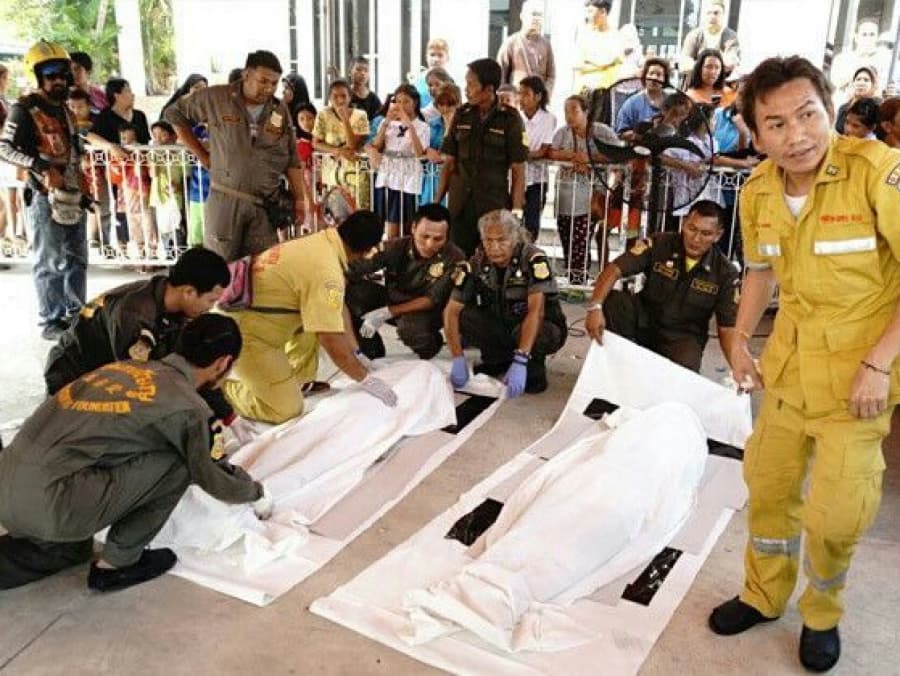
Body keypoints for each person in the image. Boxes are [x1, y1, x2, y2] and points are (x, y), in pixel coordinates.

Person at [707, 56, 900, 673]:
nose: (797, 136)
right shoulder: (758, 191)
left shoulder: (876, 172)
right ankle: (763, 595)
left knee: (838, 515)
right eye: (777, 124)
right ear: (755, 133)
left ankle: (821, 613)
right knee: (767, 489)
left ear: (830, 108)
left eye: (808, 115)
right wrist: (740, 338)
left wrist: (880, 365)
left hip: (858, 382)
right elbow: (761, 271)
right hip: (787, 372)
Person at [0, 314, 270, 593]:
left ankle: (48, 537)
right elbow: (212, 476)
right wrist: (256, 493)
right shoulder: (188, 407)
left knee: (70, 548)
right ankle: (117, 565)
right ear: (223, 363)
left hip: (8, 487)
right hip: (51, 504)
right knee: (181, 461)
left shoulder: (121, 368)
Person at [221, 210, 398, 424]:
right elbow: (330, 339)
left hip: (257, 315)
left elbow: (336, 308)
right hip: (245, 333)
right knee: (286, 410)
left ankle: (297, 381)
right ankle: (219, 392)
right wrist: (365, 378)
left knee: (317, 317)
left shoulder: (322, 242)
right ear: (367, 251)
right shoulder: (326, 272)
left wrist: (358, 353)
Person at [164, 49, 308, 261]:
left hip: (265, 206)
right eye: (263, 81)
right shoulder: (217, 97)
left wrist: (300, 200)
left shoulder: (279, 110)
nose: (269, 88)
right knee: (220, 267)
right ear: (246, 74)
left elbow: (292, 159)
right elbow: (174, 114)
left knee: (261, 268)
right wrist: (202, 154)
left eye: (274, 83)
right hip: (226, 200)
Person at [44, 246, 229, 394]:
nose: (212, 307)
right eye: (211, 300)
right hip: (73, 376)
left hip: (106, 371)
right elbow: (138, 381)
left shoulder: (172, 299)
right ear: (189, 292)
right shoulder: (136, 314)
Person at [584, 200, 739, 371]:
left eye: (706, 233)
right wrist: (595, 307)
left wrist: (739, 368)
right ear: (683, 223)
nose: (696, 239)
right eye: (692, 229)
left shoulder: (726, 273)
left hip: (682, 337)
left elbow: (727, 328)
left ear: (718, 235)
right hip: (644, 321)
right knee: (615, 301)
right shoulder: (660, 243)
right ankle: (617, 366)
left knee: (685, 371)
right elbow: (614, 269)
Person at [0, 41, 88, 341]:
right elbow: (4, 148)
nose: (58, 80)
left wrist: (84, 188)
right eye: (50, 74)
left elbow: (74, 152)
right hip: (42, 196)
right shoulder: (24, 109)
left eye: (63, 73)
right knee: (49, 261)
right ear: (38, 76)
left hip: (72, 194)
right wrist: (40, 166)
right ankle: (51, 319)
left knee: (77, 258)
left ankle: (76, 315)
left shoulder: (65, 110)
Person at [445, 210, 566, 397]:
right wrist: (457, 357)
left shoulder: (533, 259)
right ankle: (497, 359)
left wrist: (521, 359)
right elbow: (451, 311)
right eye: (488, 240)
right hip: (501, 323)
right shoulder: (477, 261)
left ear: (514, 238)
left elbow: (537, 311)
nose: (494, 247)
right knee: (466, 315)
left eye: (501, 240)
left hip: (538, 326)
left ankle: (531, 363)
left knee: (537, 338)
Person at [347, 203, 464, 360]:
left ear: (447, 235)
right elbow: (356, 267)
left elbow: (431, 299)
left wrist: (387, 312)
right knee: (352, 293)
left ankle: (430, 345)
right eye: (425, 236)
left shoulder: (455, 258)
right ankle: (369, 347)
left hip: (425, 311)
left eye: (438, 239)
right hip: (392, 298)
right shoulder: (395, 246)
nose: (430, 244)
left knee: (410, 330)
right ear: (413, 228)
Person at [437, 58, 528, 256]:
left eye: (471, 84)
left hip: (492, 206)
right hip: (460, 205)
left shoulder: (510, 119)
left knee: (492, 260)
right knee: (458, 260)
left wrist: (516, 211)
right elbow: (449, 163)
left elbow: (518, 170)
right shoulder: (462, 114)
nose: (466, 89)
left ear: (489, 89)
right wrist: (436, 204)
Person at [548, 94, 619, 284]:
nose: (569, 115)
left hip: (591, 194)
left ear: (586, 111)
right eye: (566, 111)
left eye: (574, 110)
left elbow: (617, 154)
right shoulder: (562, 133)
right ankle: (573, 277)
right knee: (566, 237)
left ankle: (580, 280)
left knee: (581, 240)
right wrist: (572, 157)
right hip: (565, 194)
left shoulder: (602, 132)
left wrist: (589, 159)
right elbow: (552, 152)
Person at [367, 84, 430, 239]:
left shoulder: (423, 126)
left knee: (407, 227)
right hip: (388, 176)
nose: (401, 105)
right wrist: (386, 122)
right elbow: (376, 145)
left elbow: (419, 152)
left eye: (406, 101)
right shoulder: (388, 124)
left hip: (409, 177)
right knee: (389, 227)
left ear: (415, 102)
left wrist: (409, 125)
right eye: (398, 101)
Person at [312, 78, 371, 209]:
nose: (340, 100)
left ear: (350, 97)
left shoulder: (360, 115)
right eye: (335, 96)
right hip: (332, 175)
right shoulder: (323, 115)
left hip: (356, 174)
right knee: (335, 215)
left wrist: (345, 119)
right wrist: (337, 151)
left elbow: (352, 145)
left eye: (344, 96)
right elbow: (315, 143)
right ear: (329, 98)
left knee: (358, 214)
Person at [518, 76, 556, 241]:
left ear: (538, 96)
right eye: (520, 93)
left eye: (526, 94)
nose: (521, 98)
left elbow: (543, 151)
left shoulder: (548, 119)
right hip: (516, 177)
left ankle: (529, 250)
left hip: (537, 179)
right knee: (513, 219)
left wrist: (521, 154)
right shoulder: (517, 117)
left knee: (532, 222)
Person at [496, 0, 556, 96]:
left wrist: (545, 95)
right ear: (522, 16)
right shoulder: (511, 43)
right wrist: (506, 96)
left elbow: (551, 75)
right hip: (517, 98)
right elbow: (501, 74)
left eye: (539, 15)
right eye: (533, 14)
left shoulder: (546, 45)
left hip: (538, 99)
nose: (536, 18)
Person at [830, 17, 893, 104]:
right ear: (856, 37)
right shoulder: (842, 58)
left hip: (871, 106)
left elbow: (884, 87)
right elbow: (838, 82)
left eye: (872, 34)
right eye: (864, 34)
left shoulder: (884, 60)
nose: (868, 38)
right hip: (845, 105)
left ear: (877, 37)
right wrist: (863, 61)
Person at [420, 82, 461, 206]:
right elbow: (424, 148)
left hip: (455, 179)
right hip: (432, 179)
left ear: (458, 103)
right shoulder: (432, 125)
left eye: (450, 104)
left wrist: (449, 126)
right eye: (441, 104)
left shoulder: (464, 126)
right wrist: (427, 150)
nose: (445, 108)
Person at [678, 0, 740, 76]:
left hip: (721, 80)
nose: (712, 16)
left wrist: (699, 64)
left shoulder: (731, 36)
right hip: (696, 80)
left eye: (716, 13)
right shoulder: (694, 35)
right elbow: (684, 64)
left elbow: (731, 63)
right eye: (708, 13)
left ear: (723, 15)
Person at [573, 0, 623, 94]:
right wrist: (602, 66)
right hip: (583, 90)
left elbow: (615, 66)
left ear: (603, 12)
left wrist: (592, 65)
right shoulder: (585, 36)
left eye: (591, 11)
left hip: (604, 92)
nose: (588, 16)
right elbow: (578, 65)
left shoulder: (616, 37)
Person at [614, 58, 670, 136]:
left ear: (665, 79)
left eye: (659, 74)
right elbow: (620, 134)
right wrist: (639, 133)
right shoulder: (631, 104)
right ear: (644, 77)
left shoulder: (673, 102)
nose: (654, 78)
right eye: (651, 73)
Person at [834, 66, 880, 133]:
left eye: (866, 80)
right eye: (858, 79)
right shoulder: (843, 108)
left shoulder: (877, 109)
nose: (861, 83)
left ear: (873, 85)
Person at [415, 38, 451, 108]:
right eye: (432, 55)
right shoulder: (417, 81)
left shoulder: (450, 83)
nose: (435, 59)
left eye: (440, 55)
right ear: (426, 57)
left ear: (447, 58)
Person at [69, 51, 108, 115]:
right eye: (69, 70)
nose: (73, 73)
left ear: (88, 72)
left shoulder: (101, 96)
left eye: (77, 69)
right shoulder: (61, 98)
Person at [349, 56, 382, 122]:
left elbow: (379, 121)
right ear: (350, 72)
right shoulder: (344, 95)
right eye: (358, 70)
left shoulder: (373, 98)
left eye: (366, 71)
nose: (363, 73)